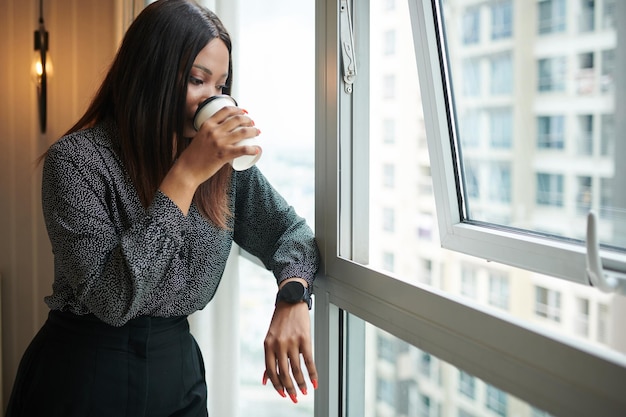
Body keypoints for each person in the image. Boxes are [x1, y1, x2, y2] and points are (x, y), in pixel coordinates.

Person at [5, 1, 319, 416]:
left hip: (178, 372)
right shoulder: (77, 161)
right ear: (148, 76)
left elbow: (289, 232)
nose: (214, 99)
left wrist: (292, 297)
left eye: (221, 86)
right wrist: (186, 176)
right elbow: (113, 299)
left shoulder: (225, 171)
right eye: (196, 80)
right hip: (85, 371)